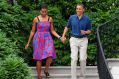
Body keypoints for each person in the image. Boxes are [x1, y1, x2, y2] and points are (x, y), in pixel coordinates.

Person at [25, 3, 61, 79]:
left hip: (48, 38)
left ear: (47, 11)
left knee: (50, 55)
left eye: (45, 11)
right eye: (42, 11)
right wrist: (28, 43)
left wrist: (59, 37)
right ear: (40, 11)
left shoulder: (50, 19)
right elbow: (32, 31)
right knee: (39, 58)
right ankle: (39, 76)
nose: (44, 13)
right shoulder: (36, 19)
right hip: (38, 39)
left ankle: (46, 70)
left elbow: (52, 30)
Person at [61, 3, 92, 79]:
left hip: (83, 40)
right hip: (73, 39)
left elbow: (90, 31)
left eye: (80, 9)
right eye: (77, 8)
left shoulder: (87, 19)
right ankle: (73, 77)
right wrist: (63, 36)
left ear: (83, 10)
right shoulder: (72, 17)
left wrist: (85, 32)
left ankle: (82, 76)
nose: (78, 10)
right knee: (74, 58)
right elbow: (67, 27)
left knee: (82, 59)